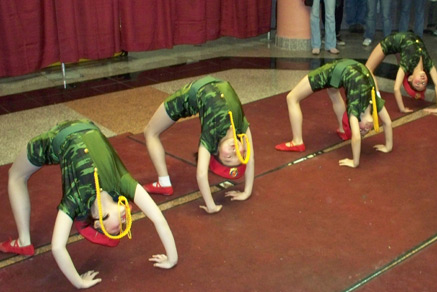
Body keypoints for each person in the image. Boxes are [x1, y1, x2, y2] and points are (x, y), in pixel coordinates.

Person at [0, 119, 178, 289]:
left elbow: (58, 247)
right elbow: (158, 218)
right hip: (87, 126)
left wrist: (80, 282)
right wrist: (172, 258)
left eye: (116, 229)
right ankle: (23, 240)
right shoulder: (122, 182)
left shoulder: (76, 196)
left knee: (15, 175)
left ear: (99, 223)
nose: (124, 222)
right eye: (125, 226)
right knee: (16, 175)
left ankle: (24, 241)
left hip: (55, 141)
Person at [144, 76, 255, 214]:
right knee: (150, 132)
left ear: (216, 152)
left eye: (228, 157)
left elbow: (201, 174)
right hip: (214, 82)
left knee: (150, 132)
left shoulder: (211, 135)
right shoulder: (240, 127)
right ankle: (164, 182)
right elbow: (250, 157)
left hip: (190, 96)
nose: (234, 151)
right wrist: (247, 191)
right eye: (239, 154)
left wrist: (211, 206)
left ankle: (164, 183)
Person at [275, 59, 393, 168]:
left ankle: (343, 130)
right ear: (359, 119)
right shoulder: (355, 106)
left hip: (351, 67)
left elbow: (387, 122)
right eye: (363, 130)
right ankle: (297, 141)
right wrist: (355, 162)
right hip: (335, 69)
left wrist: (388, 146)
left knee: (332, 89)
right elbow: (356, 137)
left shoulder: (373, 99)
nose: (362, 131)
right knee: (292, 97)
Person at [365, 32, 437, 113]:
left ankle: (377, 99)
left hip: (391, 42)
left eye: (418, 84)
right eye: (423, 84)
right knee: (400, 63)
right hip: (402, 42)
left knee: (367, 69)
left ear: (410, 78)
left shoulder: (407, 62)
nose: (422, 82)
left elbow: (396, 88)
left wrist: (402, 108)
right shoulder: (427, 62)